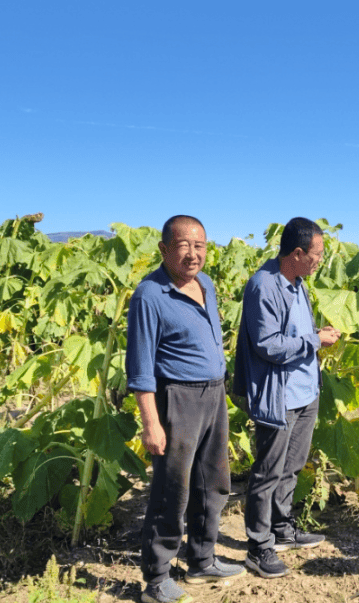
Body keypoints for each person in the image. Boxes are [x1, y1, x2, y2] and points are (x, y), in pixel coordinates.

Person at [126, 215, 244, 603]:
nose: (193, 254)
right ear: (164, 250)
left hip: (213, 395)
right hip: (177, 397)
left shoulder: (205, 284)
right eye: (183, 246)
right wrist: (151, 423)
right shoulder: (150, 295)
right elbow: (140, 367)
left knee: (213, 482)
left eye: (200, 246)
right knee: (171, 490)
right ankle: (157, 579)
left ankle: (201, 561)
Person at [234, 217, 342, 578]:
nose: (320, 261)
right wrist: (315, 340)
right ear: (297, 253)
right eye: (317, 254)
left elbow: (294, 332)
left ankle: (281, 529)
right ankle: (258, 546)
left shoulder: (298, 283)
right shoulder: (264, 286)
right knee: (268, 471)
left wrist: (316, 333)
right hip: (278, 396)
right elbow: (268, 345)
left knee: (292, 466)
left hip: (305, 392)